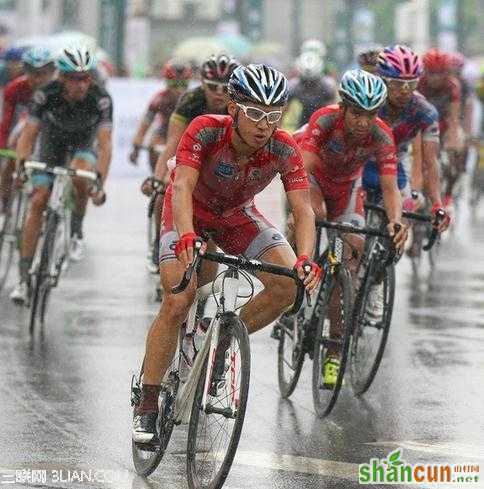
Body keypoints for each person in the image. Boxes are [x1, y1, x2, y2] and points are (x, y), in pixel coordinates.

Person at [132, 64, 320, 445]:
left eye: (272, 115)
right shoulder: (205, 129)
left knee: (289, 287)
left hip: (236, 215)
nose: (264, 124)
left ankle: (218, 341)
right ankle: (148, 402)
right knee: (179, 298)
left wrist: (304, 259)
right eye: (254, 113)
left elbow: (303, 209)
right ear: (233, 108)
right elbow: (182, 186)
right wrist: (185, 235)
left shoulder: (284, 146)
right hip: (188, 212)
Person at [298, 69, 407, 387]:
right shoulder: (324, 120)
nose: (363, 121)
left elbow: (390, 188)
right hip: (315, 181)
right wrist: (301, 212)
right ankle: (296, 282)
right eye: (357, 113)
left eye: (370, 114)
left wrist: (396, 221)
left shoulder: (382, 134)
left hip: (347, 190)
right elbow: (301, 171)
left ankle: (333, 350)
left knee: (351, 257)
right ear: (344, 107)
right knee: (310, 215)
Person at [10, 45, 112, 304]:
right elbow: (29, 134)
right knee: (37, 201)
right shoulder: (46, 93)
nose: (81, 84)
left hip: (83, 144)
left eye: (85, 78)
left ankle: (76, 231)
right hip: (51, 145)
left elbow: (105, 144)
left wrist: (99, 182)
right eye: (74, 79)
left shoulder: (100, 98)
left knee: (81, 176)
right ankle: (23, 279)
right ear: (61, 77)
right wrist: (22, 164)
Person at [363, 45, 450, 230]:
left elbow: (430, 162)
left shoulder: (424, 111)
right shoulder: (367, 100)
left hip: (395, 164)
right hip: (359, 160)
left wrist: (437, 204)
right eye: (396, 84)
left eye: (411, 84)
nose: (404, 91)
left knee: (405, 217)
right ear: (382, 80)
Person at [0, 47, 56, 213]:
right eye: (33, 73)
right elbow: (7, 122)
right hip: (21, 131)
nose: (38, 79)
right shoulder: (14, 88)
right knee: (11, 162)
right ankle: (5, 201)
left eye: (43, 73)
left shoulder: (56, 91)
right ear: (25, 71)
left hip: (47, 133)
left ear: (51, 72)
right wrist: (4, 147)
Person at [418, 48, 463, 208]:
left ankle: (448, 195)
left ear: (446, 72)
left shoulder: (452, 86)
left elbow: (454, 117)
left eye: (439, 73)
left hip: (444, 127)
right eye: (431, 72)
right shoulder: (418, 84)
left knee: (457, 155)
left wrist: (453, 140)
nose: (435, 78)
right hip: (420, 128)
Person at [129, 59, 192, 171]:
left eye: (183, 84)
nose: (179, 90)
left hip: (187, 133)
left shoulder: (194, 99)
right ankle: (157, 177)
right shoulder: (159, 99)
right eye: (174, 85)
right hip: (165, 132)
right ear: (166, 83)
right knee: (154, 143)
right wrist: (136, 147)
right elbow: (144, 126)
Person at [283, 51, 336, 132]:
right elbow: (282, 111)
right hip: (302, 121)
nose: (309, 85)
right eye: (305, 82)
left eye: (313, 83)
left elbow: (331, 113)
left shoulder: (327, 86)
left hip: (322, 120)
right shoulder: (293, 86)